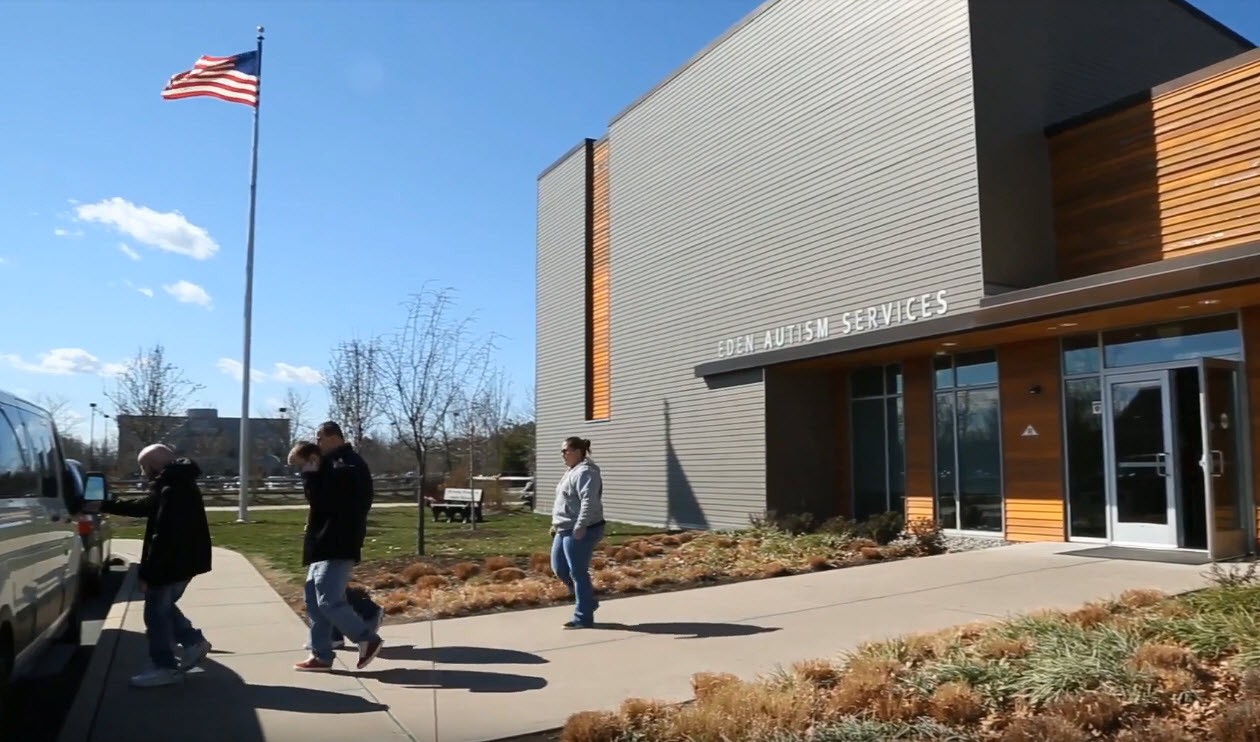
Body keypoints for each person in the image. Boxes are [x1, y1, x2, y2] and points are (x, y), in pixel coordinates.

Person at [100, 444, 213, 687]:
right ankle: (193, 642)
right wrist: (105, 504)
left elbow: (162, 537)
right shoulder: (176, 482)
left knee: (155, 615)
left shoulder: (172, 488)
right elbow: (144, 506)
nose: (142, 473)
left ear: (153, 465)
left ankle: (165, 667)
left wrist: (148, 574)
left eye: (143, 467)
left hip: (171, 563)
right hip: (183, 561)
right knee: (162, 608)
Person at [294, 422, 383, 671]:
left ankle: (367, 639)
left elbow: (327, 501)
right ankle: (321, 654)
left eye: (320, 438)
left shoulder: (348, 465)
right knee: (313, 600)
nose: (317, 443)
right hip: (323, 541)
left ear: (333, 438)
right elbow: (319, 502)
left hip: (339, 541)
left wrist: (310, 474)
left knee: (328, 600)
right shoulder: (332, 464)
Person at [550, 436, 606, 629]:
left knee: (578, 572)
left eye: (565, 451)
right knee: (559, 568)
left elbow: (589, 502)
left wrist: (581, 525)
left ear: (577, 452)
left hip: (582, 528)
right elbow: (565, 500)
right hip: (564, 527)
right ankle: (588, 601)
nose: (562, 455)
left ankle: (583, 617)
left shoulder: (586, 472)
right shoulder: (571, 471)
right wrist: (556, 524)